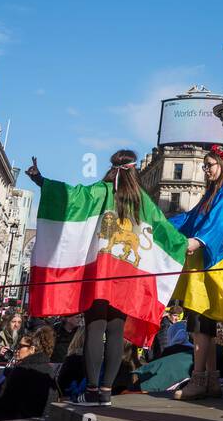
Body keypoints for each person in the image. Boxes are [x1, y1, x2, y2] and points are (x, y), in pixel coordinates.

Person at [26, 148, 187, 407]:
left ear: (113, 168)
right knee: (115, 332)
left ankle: (90, 391)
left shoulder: (101, 191)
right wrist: (188, 243)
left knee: (94, 329)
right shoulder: (142, 201)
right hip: (127, 279)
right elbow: (165, 230)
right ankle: (105, 391)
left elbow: (72, 197)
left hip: (101, 275)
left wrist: (41, 180)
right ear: (134, 171)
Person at [170, 145, 223, 401]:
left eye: (209, 165)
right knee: (204, 324)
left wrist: (197, 241)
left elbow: (218, 224)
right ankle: (211, 381)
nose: (205, 169)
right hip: (203, 269)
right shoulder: (213, 191)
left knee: (200, 323)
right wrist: (162, 224)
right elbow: (191, 219)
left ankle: (198, 379)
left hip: (214, 266)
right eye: (204, 166)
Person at [0, 326, 56, 421]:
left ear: (32, 349)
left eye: (21, 346)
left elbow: (5, 404)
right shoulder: (49, 369)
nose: (16, 350)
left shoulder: (23, 370)